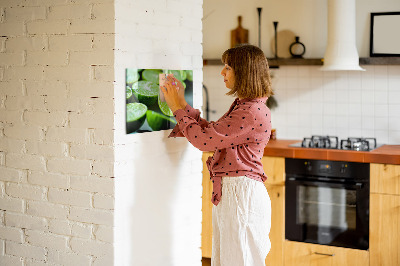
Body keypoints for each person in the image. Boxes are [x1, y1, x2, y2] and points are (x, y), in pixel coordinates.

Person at [161, 44, 273, 266]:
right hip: (236, 193)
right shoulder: (246, 106)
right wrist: (182, 104)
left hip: (241, 195)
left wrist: (176, 108)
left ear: (244, 72)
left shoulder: (250, 111)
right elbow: (212, 133)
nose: (222, 72)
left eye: (228, 67)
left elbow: (204, 141)